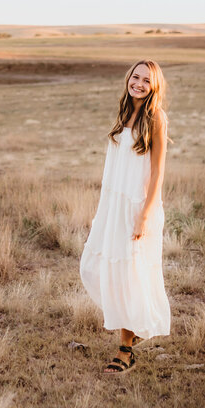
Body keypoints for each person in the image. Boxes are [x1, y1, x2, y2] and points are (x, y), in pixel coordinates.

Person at [79, 59, 171, 374]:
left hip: (137, 207)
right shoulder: (124, 113)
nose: (139, 84)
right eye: (136, 77)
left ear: (154, 86)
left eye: (147, 80)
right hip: (114, 206)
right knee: (102, 269)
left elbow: (158, 170)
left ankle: (125, 350)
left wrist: (145, 214)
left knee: (130, 275)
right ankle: (133, 325)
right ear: (128, 79)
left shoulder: (156, 117)